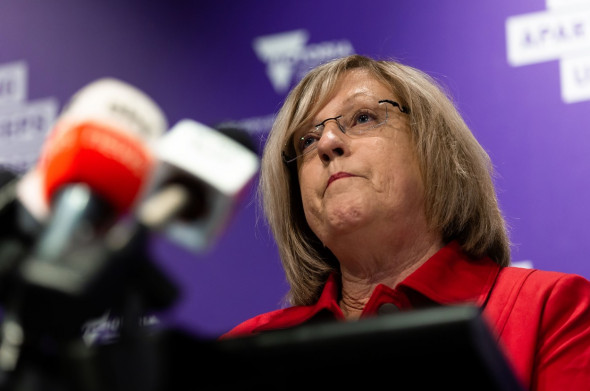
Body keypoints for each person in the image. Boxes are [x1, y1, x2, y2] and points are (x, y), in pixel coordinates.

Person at [221, 54, 590, 389]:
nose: (327, 142)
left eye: (362, 117)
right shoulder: (246, 350)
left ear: (434, 148)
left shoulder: (549, 308)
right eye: (306, 140)